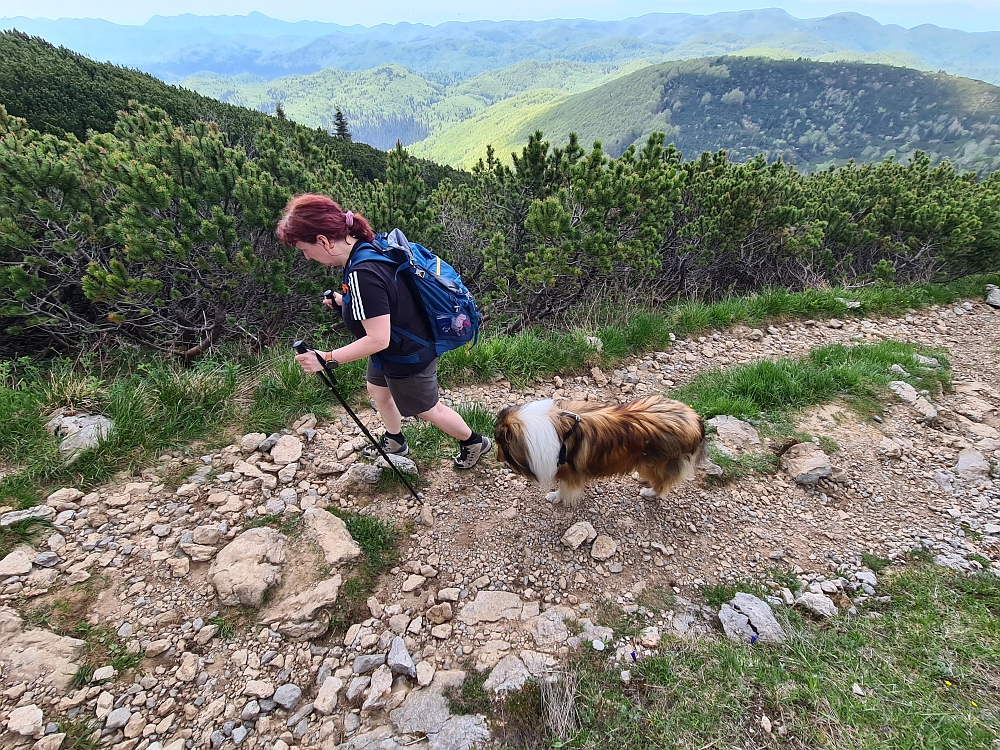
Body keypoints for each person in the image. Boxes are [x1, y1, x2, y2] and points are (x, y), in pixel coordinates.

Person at [276, 194, 492, 469]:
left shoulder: (363, 272)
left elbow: (378, 338)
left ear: (323, 240)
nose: (306, 257)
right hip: (396, 347)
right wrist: (345, 302)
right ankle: (395, 440)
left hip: (407, 353)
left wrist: (326, 358)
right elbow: (385, 298)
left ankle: (473, 442)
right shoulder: (366, 246)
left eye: (304, 249)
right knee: (378, 389)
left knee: (428, 409)